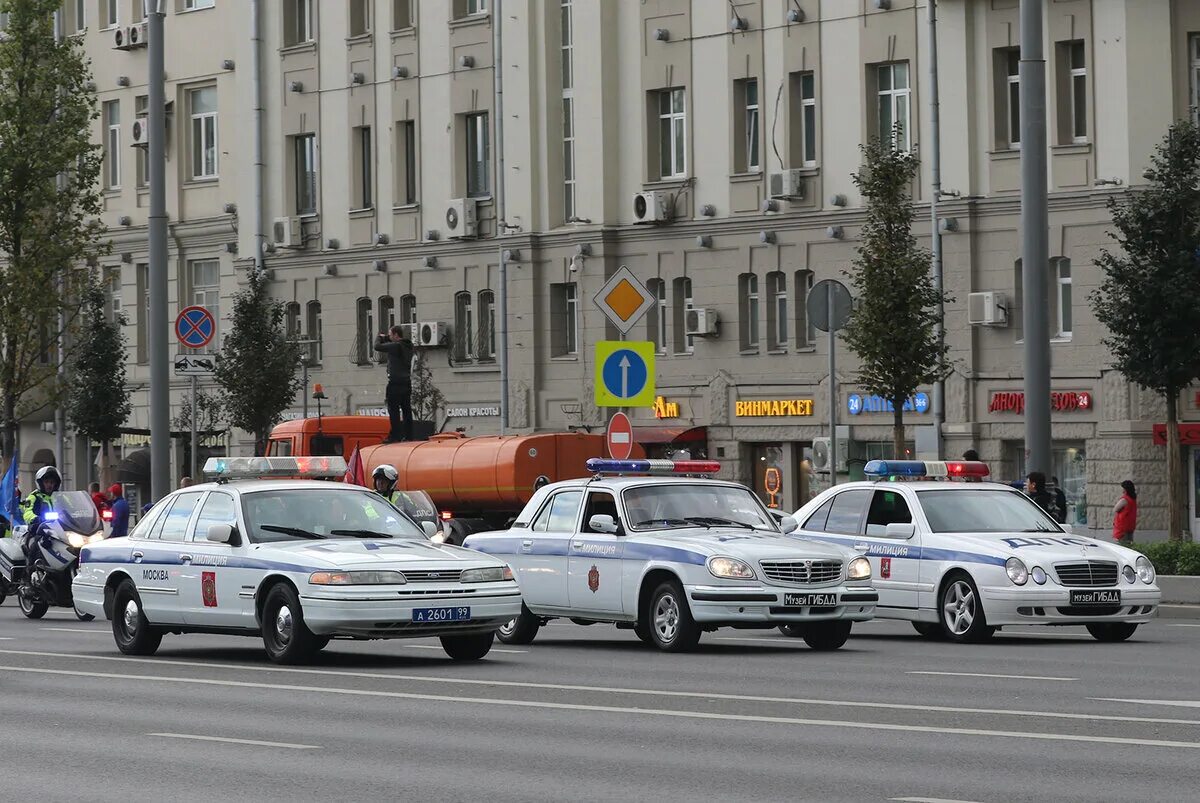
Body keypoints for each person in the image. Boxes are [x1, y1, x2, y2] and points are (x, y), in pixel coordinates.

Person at [374, 325, 414, 443]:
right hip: (406, 382)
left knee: (394, 410)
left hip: (395, 383)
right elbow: (391, 343)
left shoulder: (396, 346)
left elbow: (377, 347)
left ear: (396, 335)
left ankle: (395, 435)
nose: (389, 336)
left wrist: (379, 337)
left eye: (390, 334)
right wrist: (387, 337)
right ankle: (409, 436)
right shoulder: (408, 345)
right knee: (406, 410)